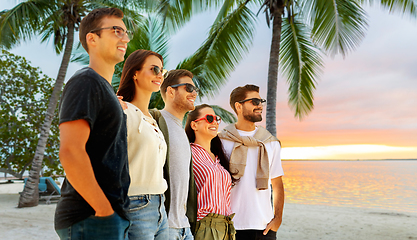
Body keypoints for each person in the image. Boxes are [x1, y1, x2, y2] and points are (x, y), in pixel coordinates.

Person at [55, 8, 131, 240]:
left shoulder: (103, 88)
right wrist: (103, 210)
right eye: (116, 31)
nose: (125, 38)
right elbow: (70, 152)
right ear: (92, 38)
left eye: (126, 33)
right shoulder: (86, 81)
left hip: (108, 215)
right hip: (92, 216)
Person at [218, 84, 285, 240]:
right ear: (238, 106)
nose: (260, 105)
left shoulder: (270, 142)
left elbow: (277, 183)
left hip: (264, 227)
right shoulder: (220, 140)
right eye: (254, 101)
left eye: (261, 101)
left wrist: (278, 218)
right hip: (229, 225)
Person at [117, 49, 169, 239]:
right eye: (154, 69)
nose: (159, 75)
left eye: (162, 70)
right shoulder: (122, 111)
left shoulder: (152, 119)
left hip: (160, 206)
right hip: (135, 204)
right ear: (135, 73)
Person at [149, 69, 199, 240]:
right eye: (189, 88)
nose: (195, 93)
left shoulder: (181, 129)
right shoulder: (153, 120)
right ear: (171, 91)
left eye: (195, 89)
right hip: (165, 227)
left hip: (184, 226)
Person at [185, 104, 237, 240]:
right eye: (209, 118)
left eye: (216, 118)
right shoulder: (188, 153)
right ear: (194, 125)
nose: (214, 122)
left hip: (227, 226)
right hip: (205, 226)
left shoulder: (218, 158)